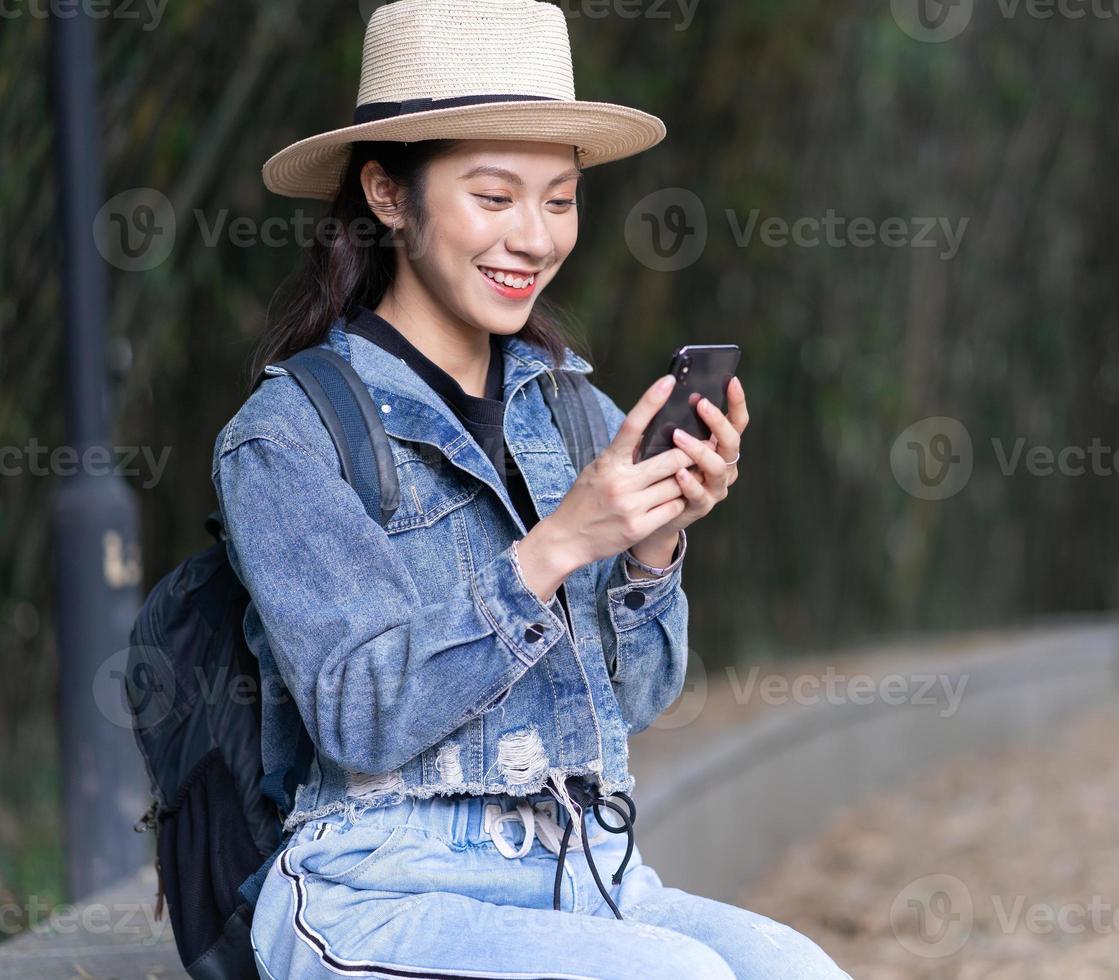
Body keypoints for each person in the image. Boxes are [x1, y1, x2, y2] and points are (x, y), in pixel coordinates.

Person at [217, 0, 852, 977]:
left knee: (797, 968)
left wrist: (652, 545)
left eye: (559, 200)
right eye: (494, 195)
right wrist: (555, 545)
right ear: (389, 194)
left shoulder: (576, 412)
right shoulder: (289, 437)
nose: (534, 236)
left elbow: (635, 698)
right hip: (378, 887)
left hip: (589, 869)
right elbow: (359, 715)